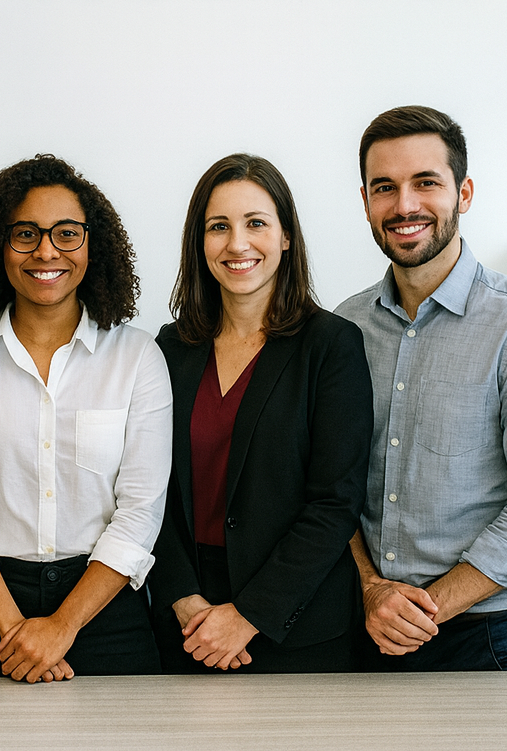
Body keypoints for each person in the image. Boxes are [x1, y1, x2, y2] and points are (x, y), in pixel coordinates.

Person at [0, 154, 172, 682]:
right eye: (26, 234)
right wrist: (18, 632)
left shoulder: (137, 357)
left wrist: (61, 626)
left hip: (106, 612)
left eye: (66, 233)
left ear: (92, 244)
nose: (46, 251)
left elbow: (140, 511)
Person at [336, 105, 507, 671]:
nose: (404, 205)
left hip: (490, 641)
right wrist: (372, 590)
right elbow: (329, 487)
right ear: (364, 200)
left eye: (426, 183)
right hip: (364, 626)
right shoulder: (344, 328)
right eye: (384, 187)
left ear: (464, 193)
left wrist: (423, 611)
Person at [149, 154, 373, 673]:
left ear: (286, 236)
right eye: (218, 227)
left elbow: (335, 502)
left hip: (296, 625)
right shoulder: (171, 347)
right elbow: (149, 487)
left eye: (255, 223)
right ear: (199, 241)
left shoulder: (332, 345)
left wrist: (250, 614)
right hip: (188, 623)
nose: (237, 244)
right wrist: (182, 597)